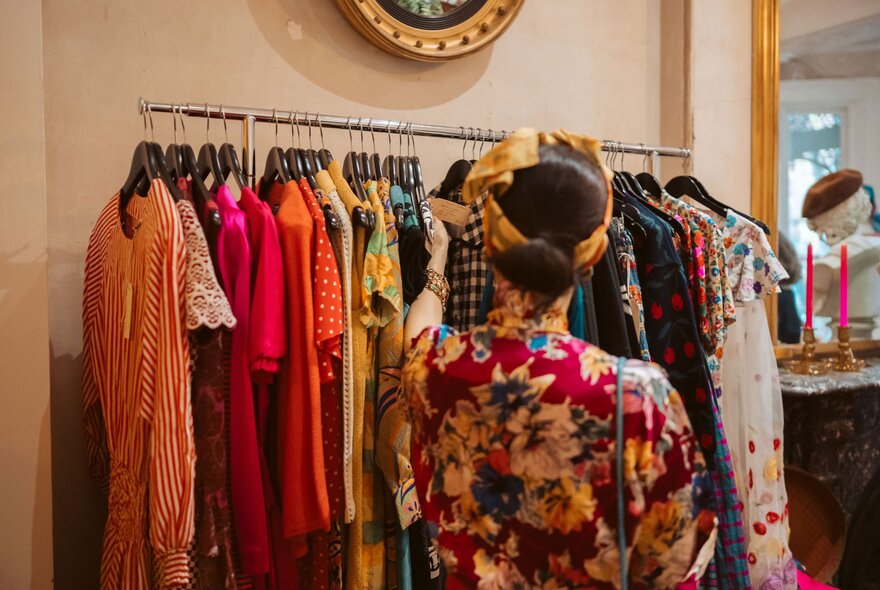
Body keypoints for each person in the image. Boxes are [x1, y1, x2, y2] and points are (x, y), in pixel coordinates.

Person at [401, 130, 716, 589]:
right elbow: (673, 561)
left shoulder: (431, 368)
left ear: (490, 242)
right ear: (593, 253)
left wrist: (438, 261)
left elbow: (420, 328)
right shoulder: (636, 396)